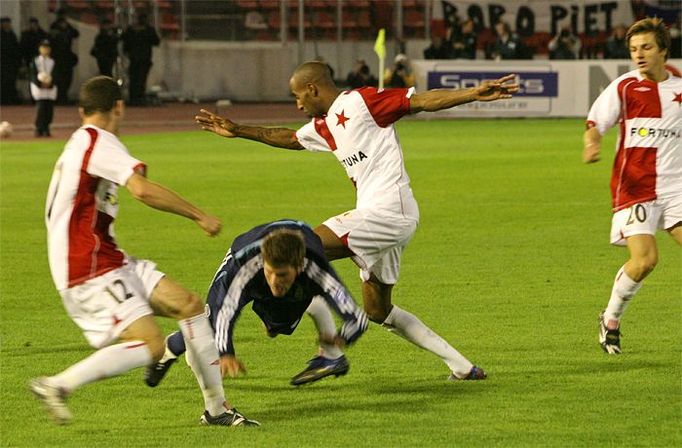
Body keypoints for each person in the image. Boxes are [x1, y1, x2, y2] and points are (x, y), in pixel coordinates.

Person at [195, 61, 519, 381]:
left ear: (312, 88)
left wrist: (474, 93)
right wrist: (238, 131)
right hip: (383, 219)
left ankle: (330, 355)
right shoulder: (326, 125)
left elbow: (419, 101)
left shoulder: (360, 103)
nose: (297, 104)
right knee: (379, 312)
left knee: (300, 248)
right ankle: (462, 367)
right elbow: (290, 138)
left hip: (388, 211)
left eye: (297, 96)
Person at [30, 76, 259, 427]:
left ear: (81, 110)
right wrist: (199, 214)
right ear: (119, 107)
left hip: (107, 258)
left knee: (190, 306)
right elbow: (142, 190)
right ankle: (58, 385)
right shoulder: (99, 140)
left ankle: (216, 409)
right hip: (89, 266)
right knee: (151, 345)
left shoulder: (80, 141)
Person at [145, 220, 368, 388]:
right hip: (242, 259)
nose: (274, 281)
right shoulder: (247, 265)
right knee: (212, 322)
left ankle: (279, 325)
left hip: (300, 247)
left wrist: (343, 338)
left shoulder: (317, 270)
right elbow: (226, 311)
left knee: (277, 327)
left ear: (299, 267)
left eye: (281, 275)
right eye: (270, 272)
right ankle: (171, 348)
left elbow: (357, 317)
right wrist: (226, 353)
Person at [583, 17, 682, 354]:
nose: (639, 55)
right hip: (635, 185)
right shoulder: (624, 86)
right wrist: (591, 142)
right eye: (634, 49)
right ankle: (610, 318)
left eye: (646, 48)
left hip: (676, 186)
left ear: (664, 51)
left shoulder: (680, 87)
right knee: (645, 261)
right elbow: (596, 122)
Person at [121, 14, 160, 105]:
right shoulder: (148, 30)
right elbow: (156, 41)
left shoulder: (132, 30)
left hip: (137, 58)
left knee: (135, 78)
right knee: (140, 79)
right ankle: (138, 97)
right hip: (142, 58)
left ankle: (134, 97)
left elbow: (125, 42)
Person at [29, 40, 57, 137]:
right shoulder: (35, 61)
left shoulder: (53, 61)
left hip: (50, 88)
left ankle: (46, 127)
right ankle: (39, 128)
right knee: (41, 109)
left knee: (49, 109)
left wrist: (50, 83)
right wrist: (40, 83)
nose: (45, 50)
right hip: (39, 88)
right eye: (43, 47)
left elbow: (56, 74)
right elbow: (32, 74)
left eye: (47, 48)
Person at [49, 14, 79, 104]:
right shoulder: (54, 31)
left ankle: (63, 97)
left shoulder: (68, 30)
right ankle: (59, 98)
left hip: (66, 59)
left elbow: (76, 34)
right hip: (57, 59)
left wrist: (68, 27)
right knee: (58, 80)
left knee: (67, 79)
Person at [0, 17, 22, 105]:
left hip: (12, 64)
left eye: (8, 23)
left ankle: (10, 99)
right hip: (2, 63)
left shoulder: (12, 35)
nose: (7, 25)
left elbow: (17, 49)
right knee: (2, 82)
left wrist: (18, 62)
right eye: (5, 23)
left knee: (11, 82)